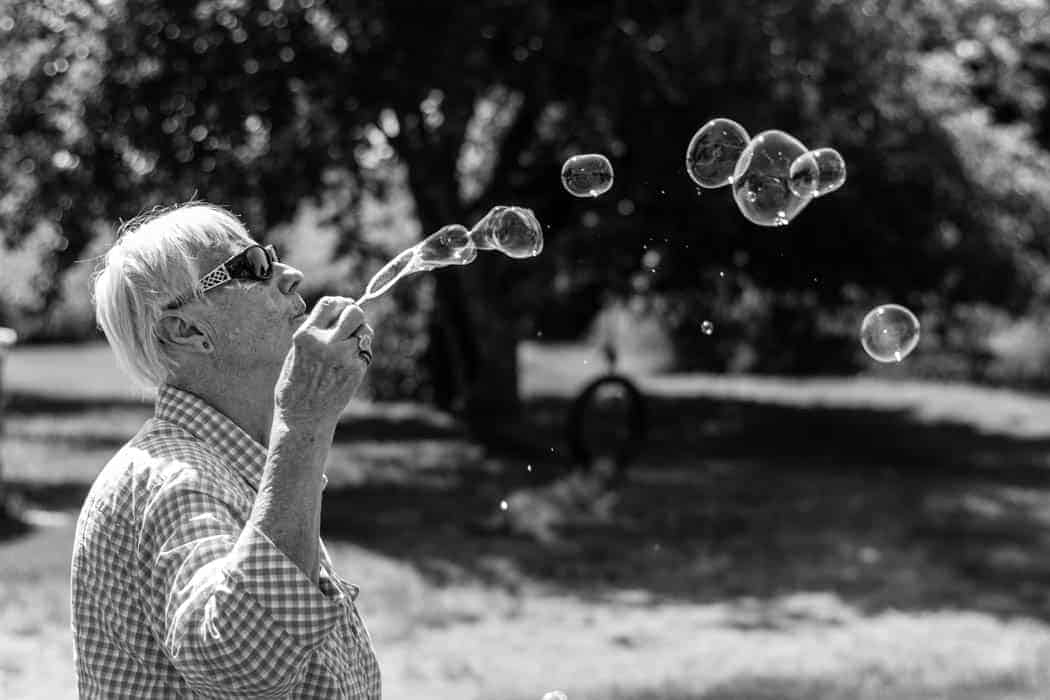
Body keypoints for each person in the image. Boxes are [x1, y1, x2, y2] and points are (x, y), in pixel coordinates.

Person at [71, 201, 381, 698]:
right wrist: (304, 425)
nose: (290, 274)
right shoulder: (173, 480)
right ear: (187, 330)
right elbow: (244, 663)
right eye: (253, 266)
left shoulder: (233, 470)